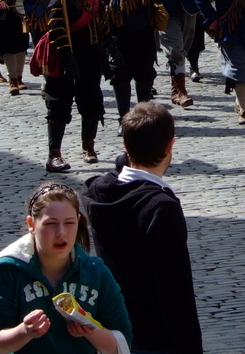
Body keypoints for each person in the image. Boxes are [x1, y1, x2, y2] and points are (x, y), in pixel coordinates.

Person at [84, 103, 203, 354]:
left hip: (113, 329)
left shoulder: (99, 193)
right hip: (153, 338)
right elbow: (175, 291)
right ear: (170, 146)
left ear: (125, 146)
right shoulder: (161, 208)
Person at [0, 183, 132, 354]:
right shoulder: (8, 269)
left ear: (78, 222)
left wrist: (91, 332)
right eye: (51, 223)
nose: (61, 232)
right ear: (31, 224)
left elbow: (122, 343)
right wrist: (25, 331)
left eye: (69, 223)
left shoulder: (96, 273)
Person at [41, 0, 113, 171]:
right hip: (66, 61)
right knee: (58, 106)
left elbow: (99, 25)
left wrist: (111, 44)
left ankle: (88, 146)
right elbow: (57, 31)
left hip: (90, 59)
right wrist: (67, 57)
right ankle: (54, 154)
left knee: (92, 103)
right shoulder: (59, 2)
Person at [95, 0, 165, 127]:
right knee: (120, 77)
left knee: (145, 75)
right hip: (115, 32)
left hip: (142, 30)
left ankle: (143, 119)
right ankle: (123, 120)